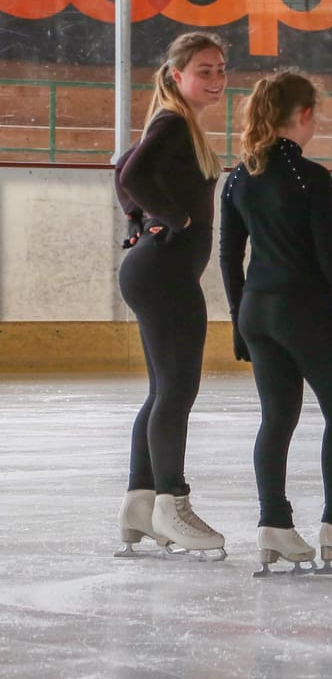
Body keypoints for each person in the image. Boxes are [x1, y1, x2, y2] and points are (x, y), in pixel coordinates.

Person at [220, 70, 332, 575]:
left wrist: (237, 322)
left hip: (257, 311)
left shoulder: (237, 178)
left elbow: (228, 256)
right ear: (305, 115)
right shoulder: (310, 177)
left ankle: (274, 525)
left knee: (277, 418)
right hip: (302, 309)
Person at [114, 31, 228, 559]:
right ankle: (171, 503)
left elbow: (122, 168)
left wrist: (139, 218)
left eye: (220, 69)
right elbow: (133, 172)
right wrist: (170, 217)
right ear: (177, 75)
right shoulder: (173, 122)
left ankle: (140, 503)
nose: (215, 79)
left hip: (159, 271)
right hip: (164, 273)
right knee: (177, 392)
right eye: (204, 70)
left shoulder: (178, 124)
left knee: (164, 391)